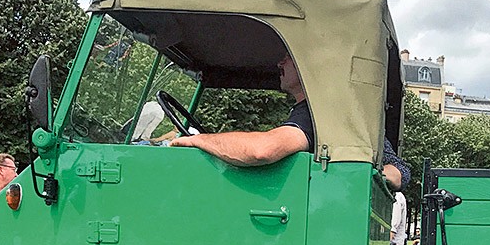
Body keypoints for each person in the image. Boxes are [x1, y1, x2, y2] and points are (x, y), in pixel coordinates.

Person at [170, 53, 410, 189]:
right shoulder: (325, 114)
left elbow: (262, 150)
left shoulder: (317, 114)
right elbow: (398, 170)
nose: (279, 63)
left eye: (288, 57)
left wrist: (198, 140)